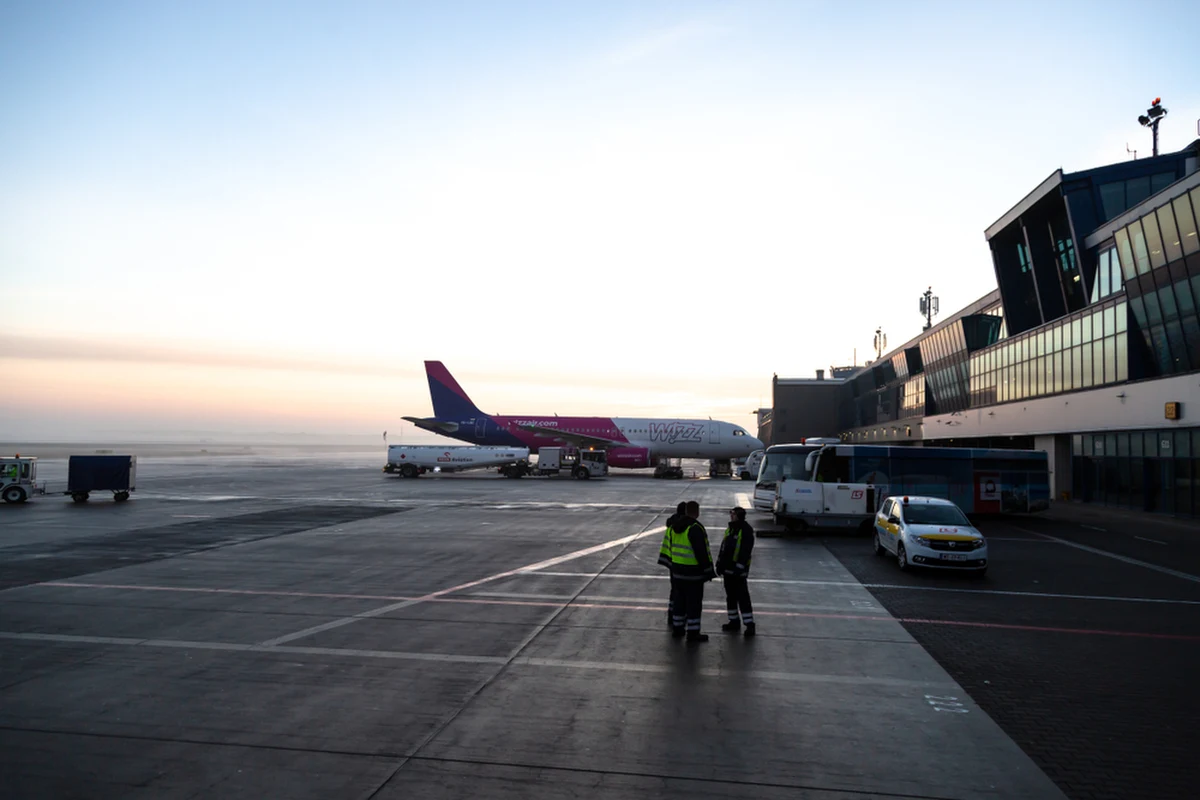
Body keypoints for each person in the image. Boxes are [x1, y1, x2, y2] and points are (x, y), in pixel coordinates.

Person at [670, 500, 715, 642]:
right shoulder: (695, 528)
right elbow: (701, 552)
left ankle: (677, 629)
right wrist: (708, 571)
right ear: (697, 512)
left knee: (679, 602)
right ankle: (693, 632)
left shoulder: (675, 527)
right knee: (694, 604)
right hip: (693, 574)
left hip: (677, 572)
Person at [717, 506, 756, 636]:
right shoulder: (730, 529)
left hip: (738, 572)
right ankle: (733, 621)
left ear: (738, 515)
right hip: (728, 571)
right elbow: (723, 548)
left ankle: (749, 624)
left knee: (743, 597)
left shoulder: (746, 530)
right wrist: (719, 564)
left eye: (732, 513)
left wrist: (739, 568)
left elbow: (745, 551)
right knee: (731, 597)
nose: (730, 515)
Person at [658, 502, 688, 632]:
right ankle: (681, 617)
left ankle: (672, 614)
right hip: (684, 563)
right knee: (685, 593)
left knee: (674, 589)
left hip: (672, 562)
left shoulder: (671, 525)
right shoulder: (688, 526)